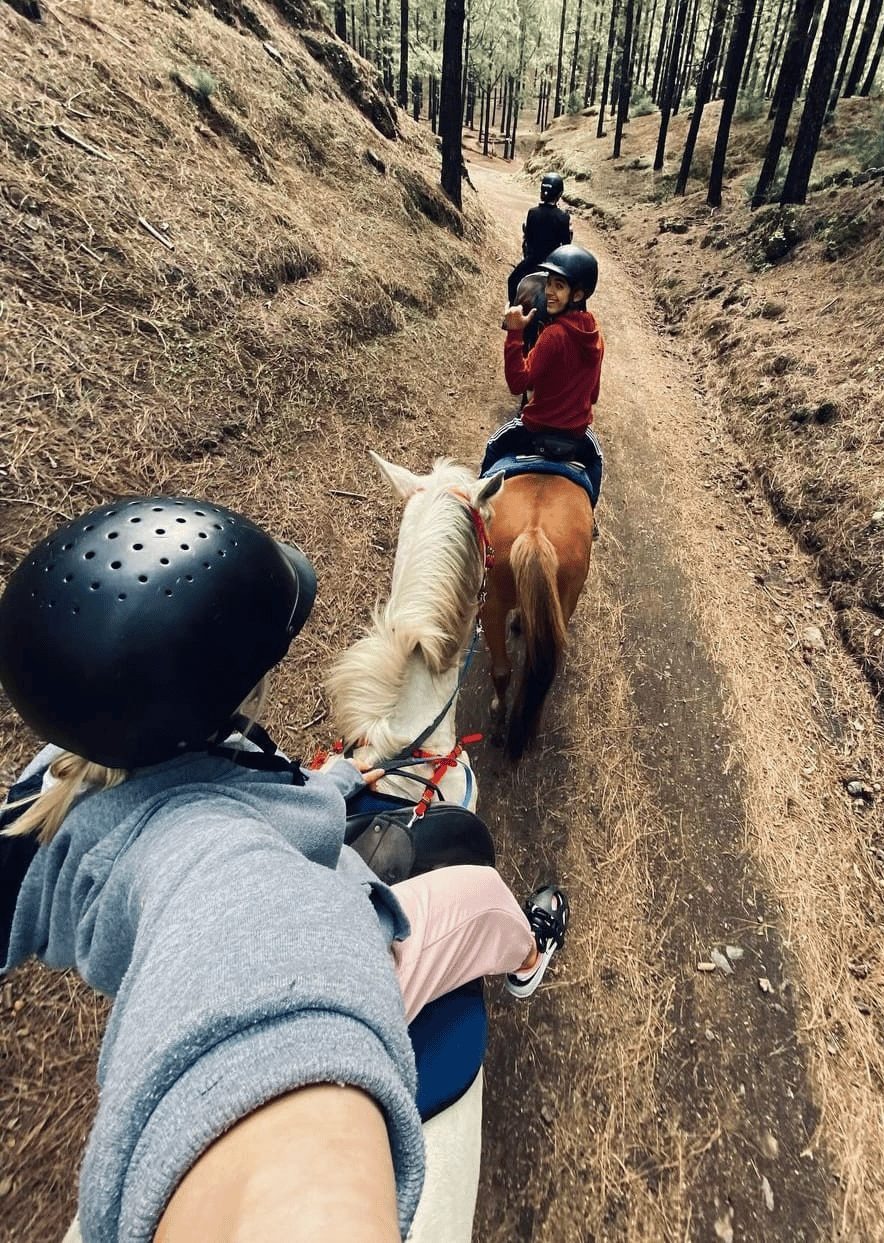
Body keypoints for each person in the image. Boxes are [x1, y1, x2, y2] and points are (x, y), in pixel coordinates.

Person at [0, 495, 569, 1243]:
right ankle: (528, 952)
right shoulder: (223, 859)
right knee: (478, 886)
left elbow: (253, 794)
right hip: (341, 934)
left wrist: (333, 781)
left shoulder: (62, 772)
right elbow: (268, 963)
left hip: (166, 947)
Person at [483, 243, 605, 511]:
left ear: (578, 294)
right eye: (549, 283)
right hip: (576, 434)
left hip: (534, 428)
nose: (549, 291)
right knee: (596, 462)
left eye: (559, 286)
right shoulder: (596, 335)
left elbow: (518, 383)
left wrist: (515, 333)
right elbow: (593, 394)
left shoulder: (553, 335)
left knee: (493, 446)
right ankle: (590, 514)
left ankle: (477, 512)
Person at [505, 172, 573, 305]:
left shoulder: (532, 212)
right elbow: (565, 245)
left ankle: (513, 309)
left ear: (542, 192)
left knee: (512, 280)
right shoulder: (563, 217)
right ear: (559, 195)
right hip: (552, 265)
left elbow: (528, 239)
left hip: (532, 261)